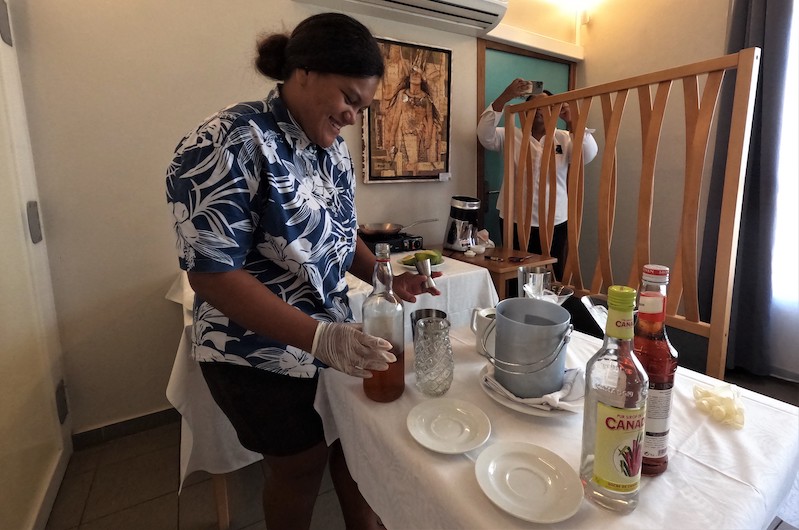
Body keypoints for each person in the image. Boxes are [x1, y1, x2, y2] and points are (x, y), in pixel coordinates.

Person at [165, 13, 439, 530]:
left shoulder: (333, 150)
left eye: (363, 105)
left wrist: (384, 273)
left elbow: (340, 232)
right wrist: (320, 338)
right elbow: (212, 275)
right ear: (305, 73)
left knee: (353, 449)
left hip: (326, 335)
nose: (354, 117)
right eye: (349, 100)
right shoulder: (227, 141)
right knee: (300, 466)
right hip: (252, 351)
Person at [477, 78, 598, 280]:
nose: (541, 110)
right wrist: (507, 95)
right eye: (536, 105)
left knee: (551, 274)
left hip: (555, 219)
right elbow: (484, 134)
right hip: (514, 218)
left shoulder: (564, 137)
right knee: (515, 274)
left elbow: (588, 153)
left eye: (548, 106)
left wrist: (571, 120)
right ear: (525, 110)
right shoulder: (510, 135)